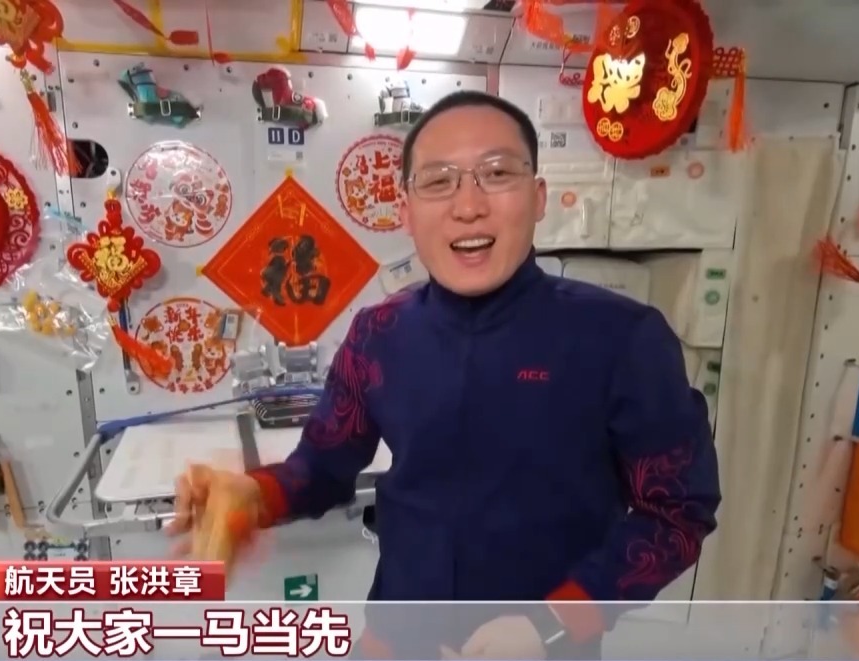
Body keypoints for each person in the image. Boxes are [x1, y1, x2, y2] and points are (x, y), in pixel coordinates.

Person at [166, 90, 722, 659]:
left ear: (537, 198)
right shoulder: (378, 334)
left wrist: (552, 624)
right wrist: (253, 495)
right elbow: (322, 469)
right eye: (438, 181)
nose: (468, 206)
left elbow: (677, 512)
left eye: (497, 173)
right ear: (406, 210)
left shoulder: (620, 337)